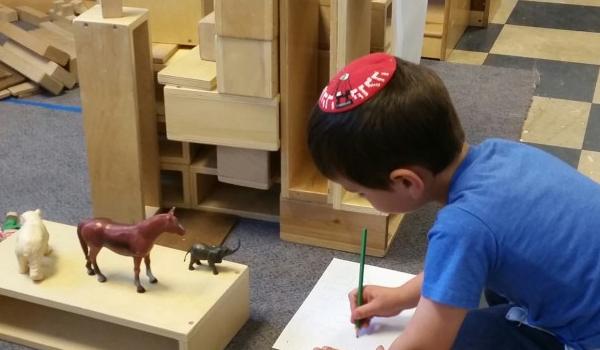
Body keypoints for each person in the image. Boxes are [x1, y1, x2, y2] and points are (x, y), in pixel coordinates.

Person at [308, 53, 600, 350]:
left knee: (462, 339)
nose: (363, 199)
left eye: (360, 192)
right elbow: (455, 264)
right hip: (584, 293)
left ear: (407, 181)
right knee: (489, 270)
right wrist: (401, 296)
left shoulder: (463, 226)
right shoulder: (501, 152)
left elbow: (425, 345)